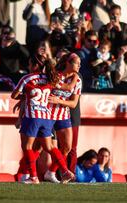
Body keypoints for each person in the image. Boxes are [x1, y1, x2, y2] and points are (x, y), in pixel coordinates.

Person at [11, 56, 74, 184]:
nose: (29, 67)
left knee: (27, 146)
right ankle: (65, 171)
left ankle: (33, 177)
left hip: (32, 116)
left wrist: (27, 95)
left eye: (30, 64)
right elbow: (68, 88)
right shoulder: (50, 78)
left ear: (35, 65)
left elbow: (14, 95)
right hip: (46, 117)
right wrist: (76, 77)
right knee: (50, 146)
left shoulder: (27, 78)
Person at [44, 53, 82, 183]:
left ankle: (51, 172)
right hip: (47, 114)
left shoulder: (78, 80)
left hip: (63, 116)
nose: (79, 65)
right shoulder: (56, 75)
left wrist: (58, 101)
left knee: (67, 147)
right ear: (68, 63)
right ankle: (28, 172)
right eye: (77, 63)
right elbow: (66, 87)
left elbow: (73, 103)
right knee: (41, 146)